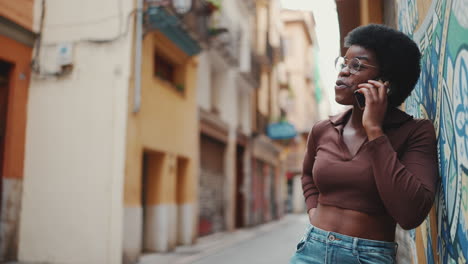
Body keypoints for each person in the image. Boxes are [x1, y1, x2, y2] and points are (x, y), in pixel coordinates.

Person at [290, 24, 439, 264]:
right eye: (344, 63)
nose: (344, 72)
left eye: (357, 65)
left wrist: (375, 131)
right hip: (311, 251)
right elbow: (307, 175)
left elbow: (411, 214)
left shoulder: (415, 132)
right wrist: (313, 210)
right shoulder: (323, 129)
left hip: (369, 256)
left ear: (386, 81)